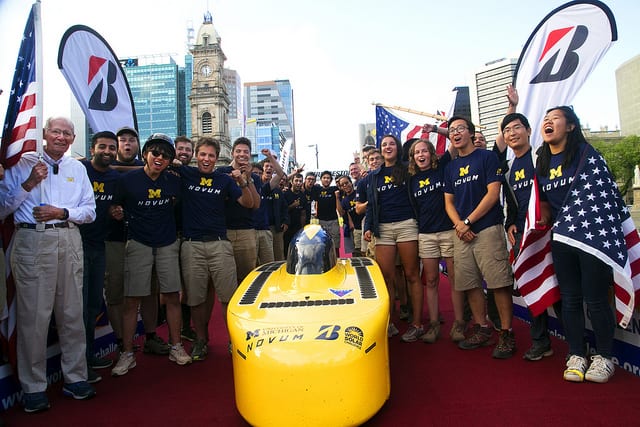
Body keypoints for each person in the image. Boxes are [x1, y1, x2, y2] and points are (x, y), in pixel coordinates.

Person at [0, 117, 97, 412]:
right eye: (56, 131)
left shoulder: (77, 168)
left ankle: (76, 378)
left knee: (71, 315)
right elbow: (3, 207)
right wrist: (30, 183)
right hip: (32, 242)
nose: (61, 137)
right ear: (44, 134)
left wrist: (62, 211)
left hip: (68, 239)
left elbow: (89, 211)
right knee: (34, 318)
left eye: (67, 133)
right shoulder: (23, 161)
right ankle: (33, 388)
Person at [536, 106, 617, 383]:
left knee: (595, 299)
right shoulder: (542, 162)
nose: (548, 121)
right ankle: (576, 354)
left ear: (570, 126)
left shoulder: (588, 156)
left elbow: (606, 196)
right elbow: (544, 204)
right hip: (561, 240)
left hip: (592, 238)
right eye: (545, 119)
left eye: (555, 118)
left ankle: (604, 357)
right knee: (569, 299)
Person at [111, 133, 191, 376]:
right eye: (155, 152)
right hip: (138, 243)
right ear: (145, 153)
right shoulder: (129, 181)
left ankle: (176, 346)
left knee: (172, 296)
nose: (160, 158)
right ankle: (126, 353)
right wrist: (115, 211)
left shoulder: (174, 180)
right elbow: (114, 205)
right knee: (131, 300)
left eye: (166, 155)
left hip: (167, 243)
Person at [443, 116, 516, 359]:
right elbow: (448, 201)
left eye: (460, 128)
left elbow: (493, 193)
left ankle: (506, 332)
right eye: (452, 130)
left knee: (498, 283)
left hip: (486, 228)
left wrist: (468, 222)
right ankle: (482, 327)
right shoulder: (451, 167)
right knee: (470, 283)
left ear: (471, 133)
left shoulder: (487, 157)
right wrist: (459, 225)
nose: (456, 133)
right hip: (462, 234)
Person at [179, 137, 254, 360]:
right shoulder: (186, 174)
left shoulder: (224, 180)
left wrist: (242, 181)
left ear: (216, 158)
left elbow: (248, 204)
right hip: (191, 245)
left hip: (220, 243)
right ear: (196, 155)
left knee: (228, 297)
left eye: (211, 155)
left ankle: (233, 340)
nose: (206, 159)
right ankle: (201, 340)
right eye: (202, 154)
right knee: (196, 298)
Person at [105, 127, 169, 356]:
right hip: (114, 239)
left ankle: (151, 336)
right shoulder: (106, 171)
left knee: (150, 290)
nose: (127, 143)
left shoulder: (156, 170)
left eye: (132, 139)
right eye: (122, 140)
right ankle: (123, 343)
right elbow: (109, 202)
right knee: (118, 293)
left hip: (145, 240)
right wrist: (114, 210)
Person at [407, 136, 466, 343]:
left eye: (424, 151)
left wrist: (434, 129)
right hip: (426, 234)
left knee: (454, 278)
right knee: (430, 281)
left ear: (431, 154)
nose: (421, 155)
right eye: (417, 153)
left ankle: (459, 324)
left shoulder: (443, 167)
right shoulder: (411, 180)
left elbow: (454, 139)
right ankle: (433, 325)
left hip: (448, 231)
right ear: (413, 158)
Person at [362, 135, 421, 338]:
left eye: (391, 144)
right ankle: (388, 322)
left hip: (407, 225)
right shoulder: (373, 176)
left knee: (411, 275)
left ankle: (417, 323)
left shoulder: (408, 169)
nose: (388, 147)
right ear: (380, 149)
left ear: (398, 147)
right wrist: (368, 227)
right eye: (384, 144)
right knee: (386, 278)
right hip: (383, 229)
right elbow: (371, 205)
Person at [79, 131, 120, 384]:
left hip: (99, 246)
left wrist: (116, 212)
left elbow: (114, 205)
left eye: (111, 147)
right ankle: (80, 363)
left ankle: (89, 355)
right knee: (79, 308)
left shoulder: (114, 177)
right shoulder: (79, 169)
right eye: (102, 146)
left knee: (94, 304)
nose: (107, 151)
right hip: (76, 246)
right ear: (92, 148)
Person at [217, 138, 261, 284]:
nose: (242, 154)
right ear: (232, 153)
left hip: (246, 232)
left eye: (246, 152)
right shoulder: (221, 172)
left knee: (247, 278)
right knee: (226, 279)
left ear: (250, 154)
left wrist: (247, 179)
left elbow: (255, 205)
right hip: (224, 231)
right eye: (238, 151)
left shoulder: (254, 176)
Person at [172, 136, 197, 343]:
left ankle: (186, 327)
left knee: (188, 286)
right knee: (170, 286)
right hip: (168, 236)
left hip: (188, 236)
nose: (184, 153)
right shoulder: (165, 170)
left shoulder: (194, 174)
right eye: (180, 149)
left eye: (188, 150)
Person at [312, 171, 340, 257]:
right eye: (324, 178)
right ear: (321, 179)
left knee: (335, 243)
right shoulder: (317, 189)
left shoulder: (335, 189)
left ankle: (336, 258)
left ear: (331, 180)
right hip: (321, 220)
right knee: (322, 242)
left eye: (328, 178)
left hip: (334, 220)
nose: (326, 179)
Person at [336, 175, 364, 257]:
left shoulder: (359, 192)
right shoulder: (344, 200)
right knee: (357, 252)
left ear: (351, 183)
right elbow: (342, 213)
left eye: (346, 183)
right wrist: (337, 198)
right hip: (356, 229)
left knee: (367, 251)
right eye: (342, 185)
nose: (345, 186)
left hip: (366, 226)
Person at [283, 173, 306, 255]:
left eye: (300, 181)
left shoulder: (303, 196)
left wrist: (302, 229)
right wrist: (292, 206)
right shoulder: (285, 194)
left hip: (297, 228)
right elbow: (282, 211)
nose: (298, 183)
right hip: (287, 228)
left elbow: (303, 214)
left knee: (297, 251)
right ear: (292, 182)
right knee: (286, 250)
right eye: (296, 181)